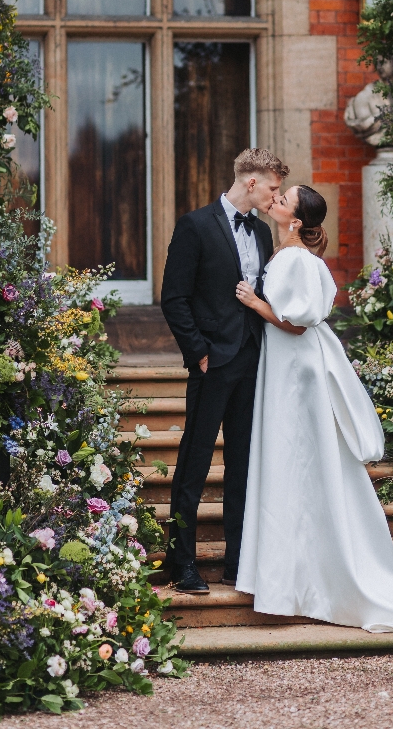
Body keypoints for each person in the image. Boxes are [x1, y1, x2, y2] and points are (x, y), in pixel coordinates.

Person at [234, 184, 393, 632]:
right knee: (299, 464)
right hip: (291, 368)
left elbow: (296, 325)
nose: (274, 202)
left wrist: (257, 303)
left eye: (283, 200)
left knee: (293, 459)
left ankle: (301, 581)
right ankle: (292, 577)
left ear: (295, 221)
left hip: (296, 372)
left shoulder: (295, 259)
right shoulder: (294, 256)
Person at [161, 148, 289, 593]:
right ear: (251, 182)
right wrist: (198, 351)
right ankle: (183, 565)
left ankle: (238, 563)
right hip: (212, 361)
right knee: (194, 463)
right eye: (273, 187)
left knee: (243, 464)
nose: (276, 197)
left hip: (252, 359)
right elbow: (174, 298)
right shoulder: (195, 225)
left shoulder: (262, 232)